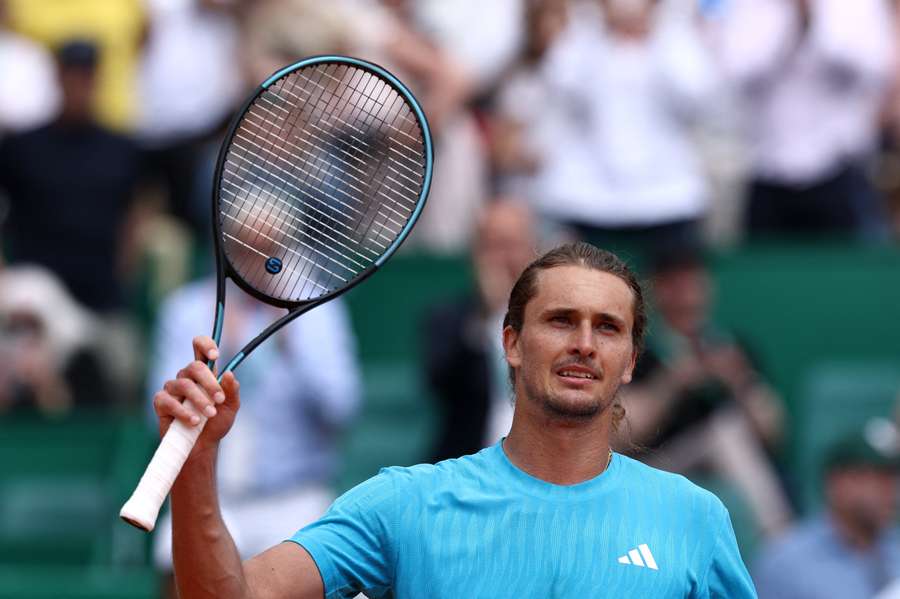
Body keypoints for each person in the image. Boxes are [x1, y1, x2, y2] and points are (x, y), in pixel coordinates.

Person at [152, 242, 756, 598]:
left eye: (608, 328)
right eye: (560, 320)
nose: (583, 344)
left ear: (630, 362)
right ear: (512, 343)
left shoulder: (694, 519)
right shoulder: (405, 504)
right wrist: (198, 461)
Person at [618, 247, 792, 538]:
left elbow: (774, 433)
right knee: (723, 432)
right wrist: (674, 382)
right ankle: (780, 537)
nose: (686, 293)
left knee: (727, 431)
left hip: (728, 465)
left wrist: (739, 381)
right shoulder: (639, 350)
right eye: (675, 283)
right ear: (656, 289)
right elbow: (622, 435)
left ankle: (779, 540)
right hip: (656, 467)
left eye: (694, 281)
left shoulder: (731, 346)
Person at [423, 198, 538, 462]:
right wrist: (490, 315)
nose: (503, 259)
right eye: (492, 247)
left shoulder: (555, 319)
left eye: (512, 245)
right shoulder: (449, 318)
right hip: (469, 461)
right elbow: (441, 384)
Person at [753, 428, 900, 598]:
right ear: (837, 483)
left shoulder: (895, 547)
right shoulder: (787, 563)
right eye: (877, 479)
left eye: (892, 479)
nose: (890, 492)